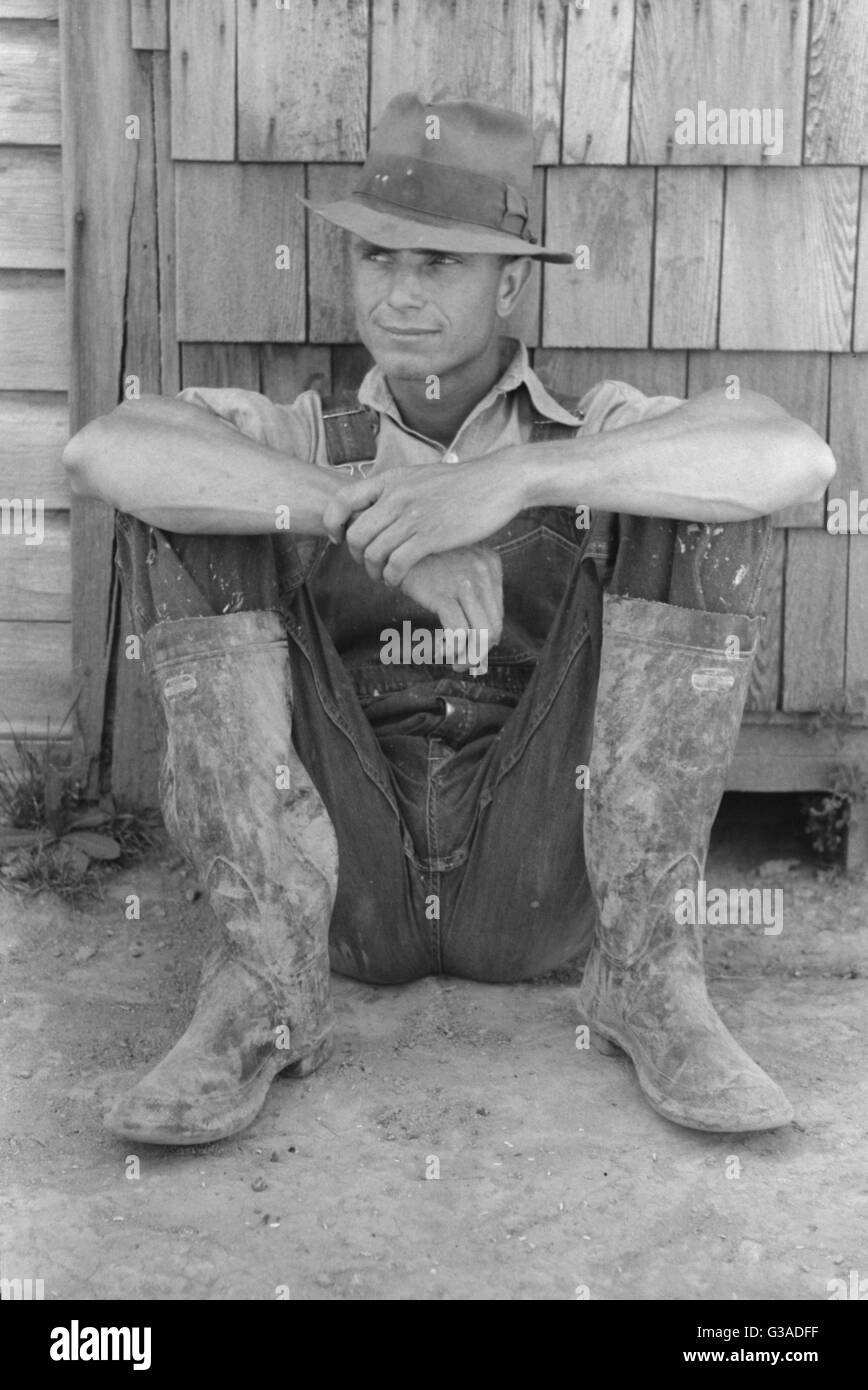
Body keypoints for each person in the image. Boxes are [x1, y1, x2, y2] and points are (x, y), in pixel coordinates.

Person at [63, 93, 835, 1146]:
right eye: (379, 259)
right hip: (348, 884)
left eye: (439, 264)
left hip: (536, 876)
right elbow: (105, 449)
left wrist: (516, 478)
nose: (400, 294)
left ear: (511, 281)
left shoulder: (584, 432)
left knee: (693, 505)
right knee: (195, 501)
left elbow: (791, 455)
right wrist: (351, 511)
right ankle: (256, 992)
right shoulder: (303, 434)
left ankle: (650, 976)